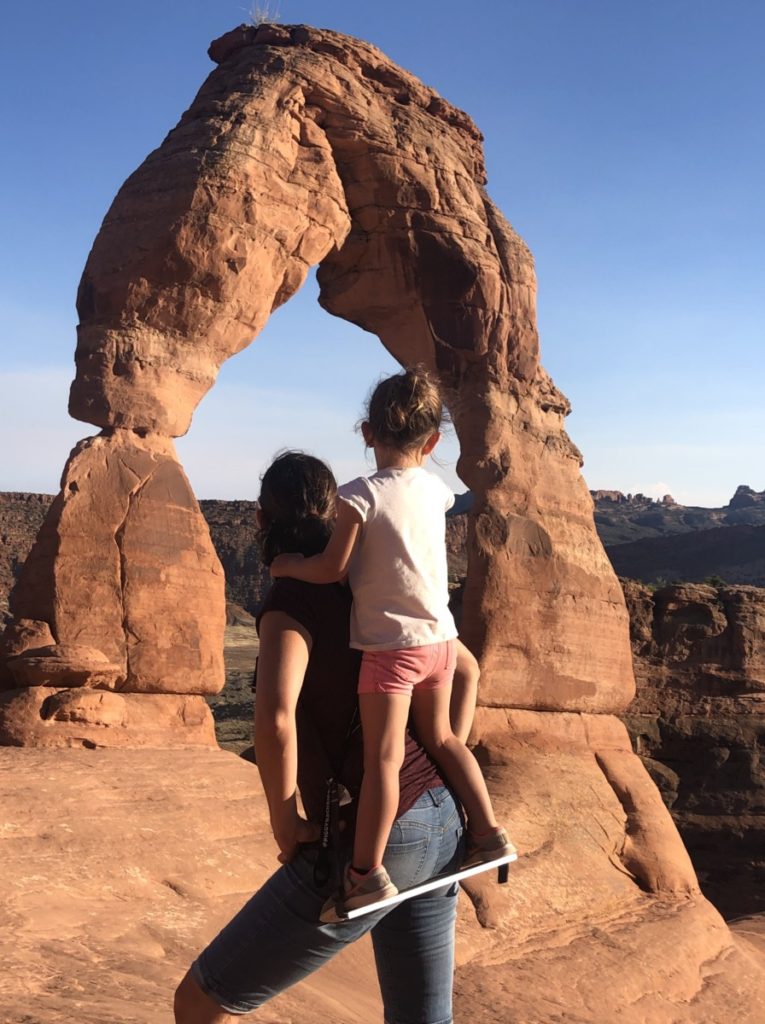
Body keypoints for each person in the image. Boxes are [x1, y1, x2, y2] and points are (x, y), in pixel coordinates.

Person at [174, 450, 478, 1023]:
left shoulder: (292, 599)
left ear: (262, 522)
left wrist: (285, 819)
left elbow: (276, 718)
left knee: (200, 1001)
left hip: (382, 834)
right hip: (444, 822)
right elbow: (465, 671)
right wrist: (440, 762)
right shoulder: (376, 575)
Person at [270, 368, 515, 917]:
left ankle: (365, 874)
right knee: (446, 738)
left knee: (384, 759)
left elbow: (333, 569)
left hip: (393, 651)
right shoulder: (439, 489)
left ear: (365, 432)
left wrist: (290, 564)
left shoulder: (359, 496)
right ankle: (489, 831)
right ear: (432, 442)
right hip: (442, 641)